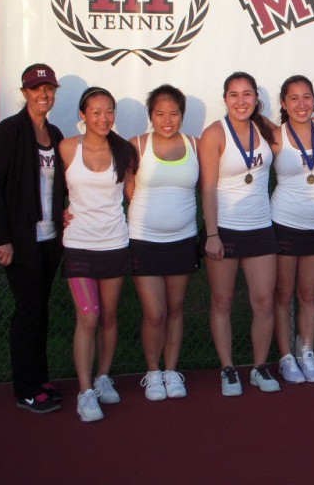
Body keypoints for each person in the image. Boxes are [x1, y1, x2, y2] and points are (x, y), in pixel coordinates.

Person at [0, 63, 66, 413]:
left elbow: (58, 185)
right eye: (36, 89)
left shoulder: (57, 135)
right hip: (21, 240)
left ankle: (40, 378)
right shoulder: (10, 132)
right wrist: (3, 239)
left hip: (50, 239)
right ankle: (26, 389)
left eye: (48, 89)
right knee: (28, 311)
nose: (43, 95)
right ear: (25, 93)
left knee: (40, 310)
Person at [199, 71, 281, 396]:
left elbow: (300, 131)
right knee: (222, 302)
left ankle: (260, 367)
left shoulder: (267, 130)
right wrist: (212, 234)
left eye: (247, 94)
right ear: (225, 99)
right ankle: (228, 369)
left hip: (261, 227)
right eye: (234, 95)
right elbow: (207, 188)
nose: (241, 101)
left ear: (256, 99)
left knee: (263, 301)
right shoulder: (213, 134)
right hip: (226, 230)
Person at [60, 86, 138, 422]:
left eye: (109, 111)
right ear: (82, 115)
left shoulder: (124, 151)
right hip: (78, 244)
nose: (103, 118)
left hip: (114, 243)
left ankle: (103, 377)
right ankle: (84, 390)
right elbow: (50, 188)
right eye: (96, 111)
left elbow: (134, 194)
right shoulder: (65, 148)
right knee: (88, 316)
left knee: (108, 316)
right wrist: (60, 209)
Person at [127, 85, 198, 400]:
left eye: (174, 113)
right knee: (154, 313)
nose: (167, 120)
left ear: (182, 114)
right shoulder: (136, 146)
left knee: (176, 308)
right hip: (145, 241)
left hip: (183, 241)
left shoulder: (195, 145)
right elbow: (124, 190)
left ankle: (171, 371)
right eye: (160, 114)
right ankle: (153, 372)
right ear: (150, 116)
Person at [271, 76, 314, 384]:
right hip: (284, 222)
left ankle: (306, 351)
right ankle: (286, 356)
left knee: (309, 294)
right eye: (294, 98)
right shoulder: (275, 135)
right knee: (284, 295)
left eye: (307, 97)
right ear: (284, 104)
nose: (302, 104)